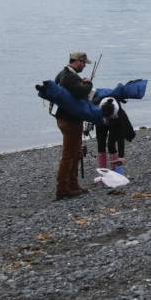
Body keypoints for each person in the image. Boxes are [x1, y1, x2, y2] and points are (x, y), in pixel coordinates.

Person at [53, 52, 93, 200]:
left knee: (76, 152)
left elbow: (72, 90)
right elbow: (81, 91)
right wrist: (88, 83)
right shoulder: (71, 76)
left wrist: (81, 82)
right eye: (83, 63)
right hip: (71, 120)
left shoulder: (62, 74)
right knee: (69, 154)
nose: (84, 66)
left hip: (63, 118)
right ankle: (62, 189)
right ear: (78, 62)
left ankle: (73, 185)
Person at [95, 96, 135, 176]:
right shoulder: (98, 107)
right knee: (101, 144)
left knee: (111, 144)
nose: (107, 120)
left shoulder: (119, 114)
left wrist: (121, 156)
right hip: (100, 121)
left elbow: (120, 138)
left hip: (115, 122)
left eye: (108, 118)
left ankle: (116, 171)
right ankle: (103, 172)